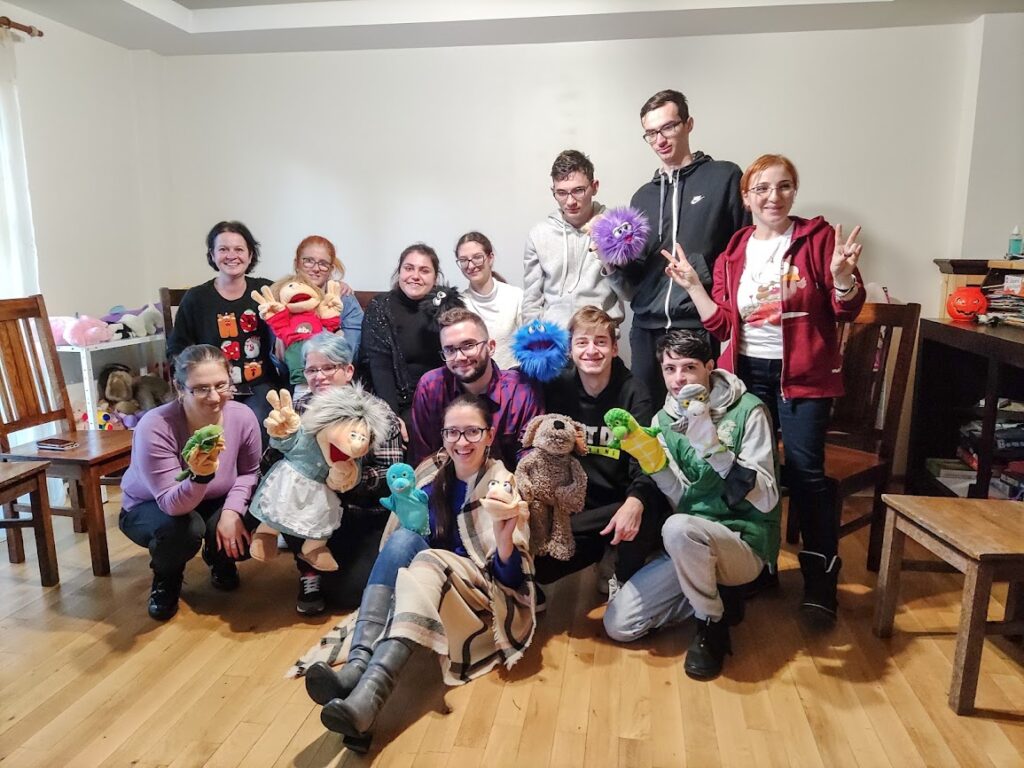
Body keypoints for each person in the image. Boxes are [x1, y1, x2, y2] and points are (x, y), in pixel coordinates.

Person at [662, 153, 865, 625]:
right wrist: (694, 285)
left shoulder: (817, 240)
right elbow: (725, 324)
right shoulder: (735, 250)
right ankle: (761, 563)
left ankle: (819, 581)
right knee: (750, 469)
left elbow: (844, 310)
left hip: (803, 379)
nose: (774, 196)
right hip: (747, 375)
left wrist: (841, 278)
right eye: (763, 188)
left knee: (808, 477)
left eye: (785, 186)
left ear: (794, 191)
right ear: (747, 196)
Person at [302, 394, 536, 752]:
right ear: (442, 436)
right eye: (452, 432)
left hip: (474, 597)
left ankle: (367, 695)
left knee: (429, 561)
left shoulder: (502, 485)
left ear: (489, 436)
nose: (462, 442)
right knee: (402, 541)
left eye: (472, 432)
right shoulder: (430, 472)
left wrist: (505, 540)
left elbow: (511, 582)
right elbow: (404, 534)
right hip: (426, 584)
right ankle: (359, 668)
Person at [603, 331, 780, 680]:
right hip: (692, 542)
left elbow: (767, 498)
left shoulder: (749, 411)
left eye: (689, 367)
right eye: (670, 369)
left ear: (710, 368)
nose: (678, 378)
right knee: (618, 624)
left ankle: (711, 624)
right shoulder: (662, 422)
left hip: (745, 541)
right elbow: (683, 499)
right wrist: (652, 461)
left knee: (678, 527)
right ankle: (717, 594)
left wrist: (715, 450)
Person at [617, 90, 748, 404]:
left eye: (668, 127)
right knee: (647, 420)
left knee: (699, 420)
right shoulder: (642, 197)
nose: (659, 139)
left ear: (688, 124)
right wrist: (610, 258)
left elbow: (742, 250)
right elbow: (637, 271)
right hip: (646, 326)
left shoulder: (724, 177)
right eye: (650, 133)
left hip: (697, 323)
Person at [119, 345, 262, 621]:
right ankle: (166, 578)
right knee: (182, 530)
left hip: (215, 498)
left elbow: (250, 473)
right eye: (200, 388)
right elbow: (172, 504)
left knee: (251, 511)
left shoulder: (242, 416)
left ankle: (221, 558)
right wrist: (200, 475)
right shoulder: (155, 426)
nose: (214, 397)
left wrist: (232, 512)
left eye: (222, 385)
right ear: (180, 386)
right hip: (154, 506)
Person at [537, 306, 666, 594]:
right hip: (579, 506)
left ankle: (621, 558)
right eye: (582, 342)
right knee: (542, 569)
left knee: (644, 507)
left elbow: (647, 463)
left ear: (615, 348)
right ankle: (602, 549)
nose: (591, 350)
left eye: (600, 342)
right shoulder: (559, 389)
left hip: (622, 502)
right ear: (570, 350)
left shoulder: (635, 392)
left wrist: (635, 502)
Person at [277, 332, 404, 615]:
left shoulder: (377, 411)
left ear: (348, 371)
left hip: (361, 512)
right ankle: (308, 570)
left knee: (351, 595)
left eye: (328, 367)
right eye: (311, 369)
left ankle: (336, 568)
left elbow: (389, 474)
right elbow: (272, 461)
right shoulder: (296, 410)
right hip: (309, 511)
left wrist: (352, 478)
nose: (319, 376)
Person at [166, 220, 277, 446]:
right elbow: (178, 349)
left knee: (259, 421)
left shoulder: (266, 290)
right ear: (212, 254)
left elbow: (300, 297)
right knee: (209, 430)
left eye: (239, 249)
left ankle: (253, 478)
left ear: (250, 253)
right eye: (223, 249)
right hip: (210, 387)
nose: (231, 255)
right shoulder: (196, 298)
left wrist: (338, 288)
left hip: (258, 385)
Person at [408, 307, 542, 468]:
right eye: (450, 350)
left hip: (507, 487)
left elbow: (530, 458)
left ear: (491, 347)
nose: (460, 357)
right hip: (445, 484)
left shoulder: (522, 390)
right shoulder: (431, 387)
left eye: (468, 345)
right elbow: (424, 457)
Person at [522, 149, 628, 326]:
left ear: (594, 187)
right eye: (562, 193)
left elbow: (629, 293)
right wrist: (535, 345)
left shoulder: (616, 227)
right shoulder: (539, 234)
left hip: (599, 340)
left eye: (578, 190)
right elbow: (531, 300)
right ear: (553, 191)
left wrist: (607, 254)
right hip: (554, 343)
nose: (570, 201)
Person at [360, 243, 444, 434]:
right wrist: (391, 417)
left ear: (435, 277)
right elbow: (379, 367)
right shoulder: (380, 307)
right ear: (399, 272)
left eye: (424, 270)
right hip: (395, 402)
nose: (415, 276)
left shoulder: (446, 308)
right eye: (409, 268)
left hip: (438, 400)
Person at [455, 231, 523, 369]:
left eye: (477, 257)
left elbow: (531, 346)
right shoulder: (459, 304)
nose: (471, 265)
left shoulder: (515, 296)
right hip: (475, 383)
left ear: (490, 258)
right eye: (463, 260)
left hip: (515, 380)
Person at [292, 234, 364, 360]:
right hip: (293, 376)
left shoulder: (345, 300)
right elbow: (278, 360)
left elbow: (349, 353)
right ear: (297, 264)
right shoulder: (282, 300)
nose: (316, 268)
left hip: (335, 373)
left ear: (330, 269)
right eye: (308, 261)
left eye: (323, 263)